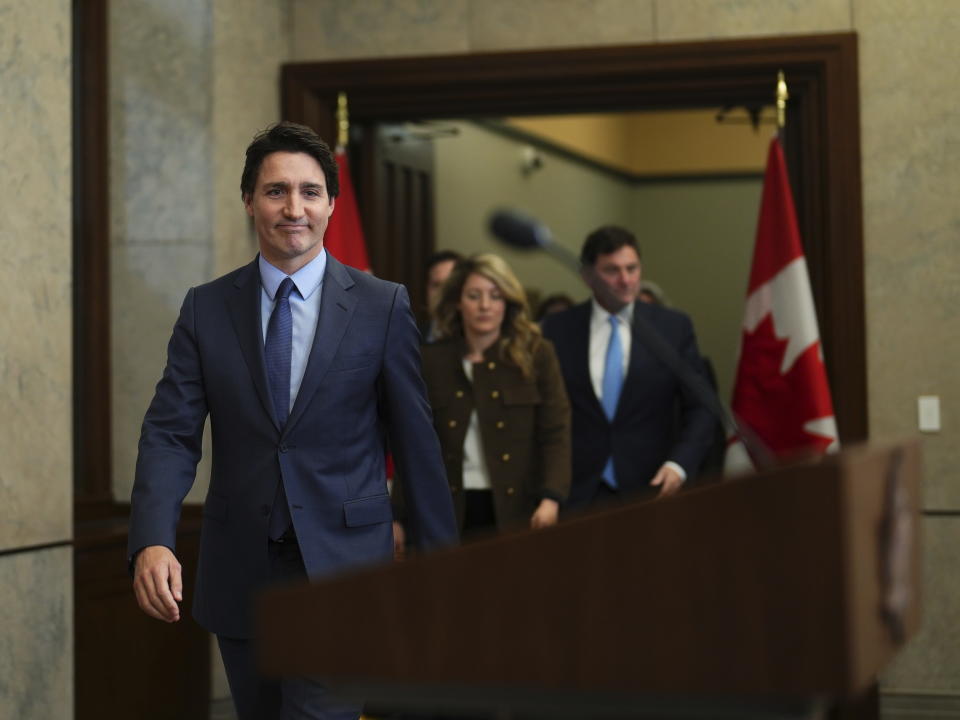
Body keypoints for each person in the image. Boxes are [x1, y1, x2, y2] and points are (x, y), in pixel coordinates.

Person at [127, 121, 457, 720]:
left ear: (331, 204)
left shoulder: (383, 305)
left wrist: (440, 570)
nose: (293, 208)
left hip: (344, 572)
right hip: (241, 569)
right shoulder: (207, 307)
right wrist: (152, 536)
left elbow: (416, 444)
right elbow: (170, 432)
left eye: (309, 192)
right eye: (277, 191)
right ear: (249, 201)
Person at [398, 254, 570, 541]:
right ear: (457, 301)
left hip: (517, 508)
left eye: (495, 296)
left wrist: (551, 498)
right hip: (447, 508)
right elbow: (413, 444)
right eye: (474, 296)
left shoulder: (537, 355)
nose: (485, 306)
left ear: (509, 302)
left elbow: (556, 432)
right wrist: (399, 514)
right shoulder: (432, 360)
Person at [541, 226, 716, 509]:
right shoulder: (558, 329)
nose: (625, 280)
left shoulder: (672, 327)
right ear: (587, 276)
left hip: (652, 487)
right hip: (577, 492)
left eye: (632, 269)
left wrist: (680, 464)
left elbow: (703, 407)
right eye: (612, 270)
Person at [420, 249, 462, 343]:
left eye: (450, 285)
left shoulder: (475, 340)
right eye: (436, 285)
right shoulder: (410, 338)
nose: (443, 293)